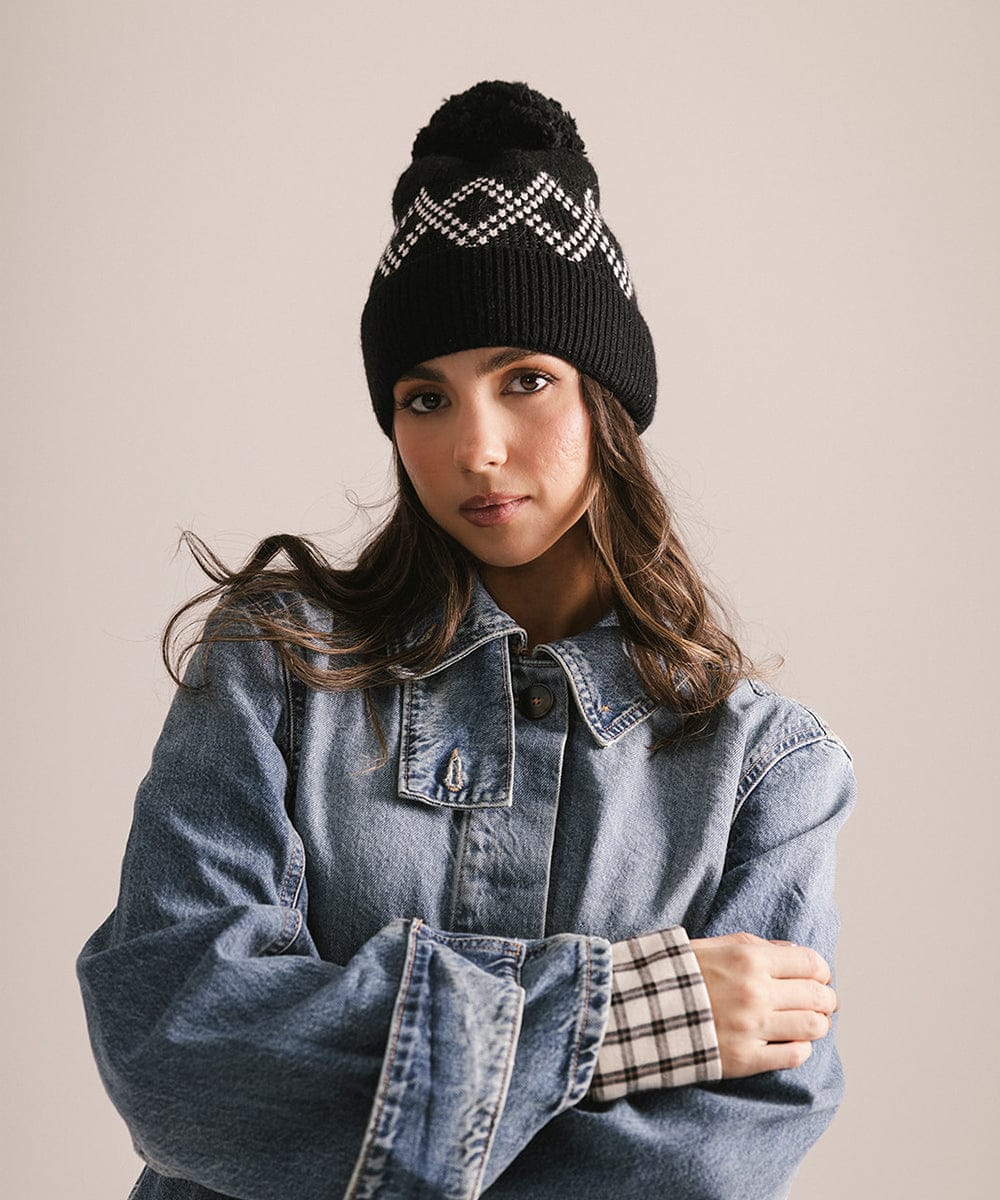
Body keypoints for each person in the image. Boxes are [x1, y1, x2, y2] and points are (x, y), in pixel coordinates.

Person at [77, 81, 856, 1200]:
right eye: (424, 398)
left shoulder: (768, 775)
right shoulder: (277, 672)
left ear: (608, 403)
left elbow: (708, 1166)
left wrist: (364, 1051)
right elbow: (177, 1048)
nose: (475, 448)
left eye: (526, 380)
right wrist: (620, 1016)